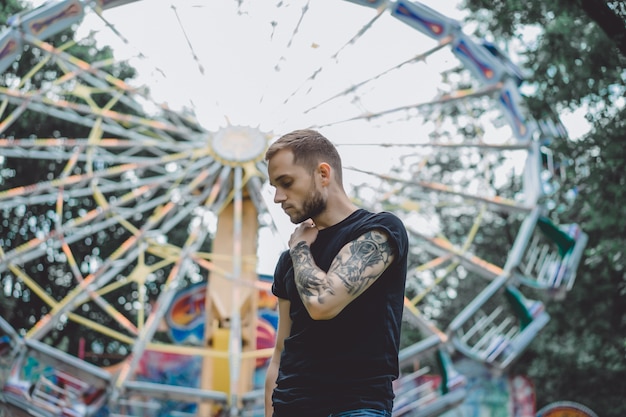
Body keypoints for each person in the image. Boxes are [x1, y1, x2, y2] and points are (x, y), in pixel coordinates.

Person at [264, 129, 409, 417]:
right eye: (274, 187)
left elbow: (323, 304)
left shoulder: (379, 231)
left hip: (354, 406)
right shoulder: (289, 260)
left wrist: (300, 249)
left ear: (323, 174)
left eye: (286, 182)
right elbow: (280, 353)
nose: (278, 197)